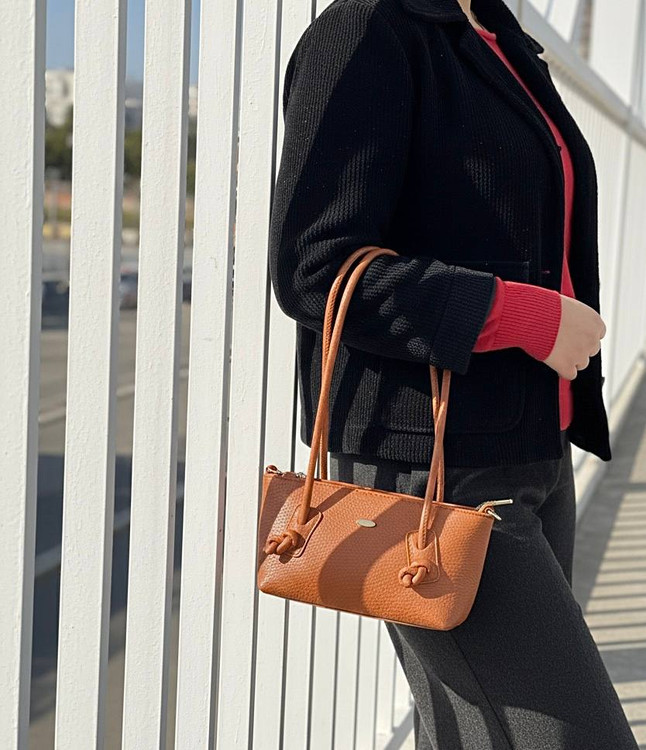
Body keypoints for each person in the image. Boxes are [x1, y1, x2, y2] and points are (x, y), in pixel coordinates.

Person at [268, 0, 638, 747]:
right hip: (438, 467)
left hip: (533, 444)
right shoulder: (367, 31)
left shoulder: (500, 36)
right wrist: (524, 316)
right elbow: (315, 266)